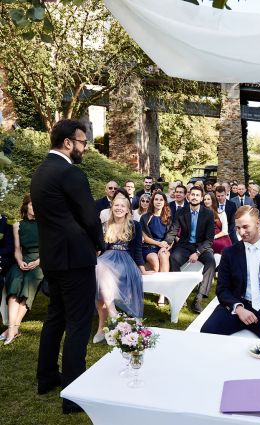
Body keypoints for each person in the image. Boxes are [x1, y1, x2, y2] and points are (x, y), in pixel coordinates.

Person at [32, 119, 103, 414]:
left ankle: (47, 377)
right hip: (75, 260)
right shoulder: (70, 173)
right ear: (68, 143)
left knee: (55, 318)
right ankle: (73, 395)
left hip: (53, 259)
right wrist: (100, 243)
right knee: (78, 324)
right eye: (83, 142)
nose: (85, 147)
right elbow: (89, 216)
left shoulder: (39, 173)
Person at [200, 205, 260, 341]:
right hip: (237, 306)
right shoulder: (229, 253)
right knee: (207, 332)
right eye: (238, 228)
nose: (241, 232)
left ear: (258, 223)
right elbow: (222, 289)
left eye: (245, 227)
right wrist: (238, 308)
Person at [93, 197, 152, 343]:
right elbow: (100, 248)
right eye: (116, 205)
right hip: (107, 259)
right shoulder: (105, 225)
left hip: (125, 260)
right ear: (112, 208)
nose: (119, 208)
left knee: (100, 272)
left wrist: (142, 269)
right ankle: (110, 315)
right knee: (99, 267)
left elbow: (137, 249)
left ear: (127, 210)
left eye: (122, 206)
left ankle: (105, 325)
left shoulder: (134, 225)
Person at [1, 194, 43, 345]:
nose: (35, 208)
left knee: (28, 286)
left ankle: (12, 329)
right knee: (14, 283)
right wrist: (19, 261)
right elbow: (17, 248)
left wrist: (38, 261)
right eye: (32, 204)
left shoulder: (45, 224)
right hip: (22, 260)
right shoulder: (17, 225)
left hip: (40, 261)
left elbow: (49, 248)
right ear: (26, 206)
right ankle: (13, 328)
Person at [167, 186, 216, 313]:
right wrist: (166, 245)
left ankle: (199, 298)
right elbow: (173, 231)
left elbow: (210, 239)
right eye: (192, 194)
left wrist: (198, 253)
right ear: (188, 196)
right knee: (173, 258)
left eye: (197, 195)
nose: (194, 197)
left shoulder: (208, 213)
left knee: (211, 262)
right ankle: (179, 293)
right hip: (185, 244)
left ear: (201, 197)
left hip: (202, 246)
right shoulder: (181, 211)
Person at [141, 191, 171, 305]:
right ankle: (155, 287)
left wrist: (166, 246)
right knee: (154, 259)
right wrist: (159, 244)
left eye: (161, 200)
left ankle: (162, 294)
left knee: (163, 256)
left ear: (164, 202)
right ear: (152, 202)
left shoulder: (168, 218)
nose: (158, 202)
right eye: (156, 199)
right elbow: (145, 237)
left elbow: (171, 236)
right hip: (149, 246)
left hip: (164, 246)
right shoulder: (145, 217)